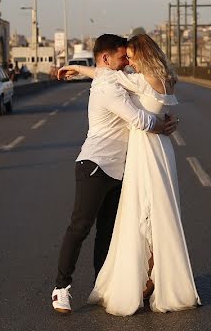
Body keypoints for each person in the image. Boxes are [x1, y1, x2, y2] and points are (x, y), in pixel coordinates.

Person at [50, 34, 181, 315]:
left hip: (121, 169)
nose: (128, 64)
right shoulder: (106, 87)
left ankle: (104, 285)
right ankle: (61, 288)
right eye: (123, 58)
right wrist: (164, 124)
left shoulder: (115, 77)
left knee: (107, 233)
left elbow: (121, 79)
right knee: (80, 227)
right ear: (108, 58)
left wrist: (79, 69)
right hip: (95, 166)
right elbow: (138, 119)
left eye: (129, 58)